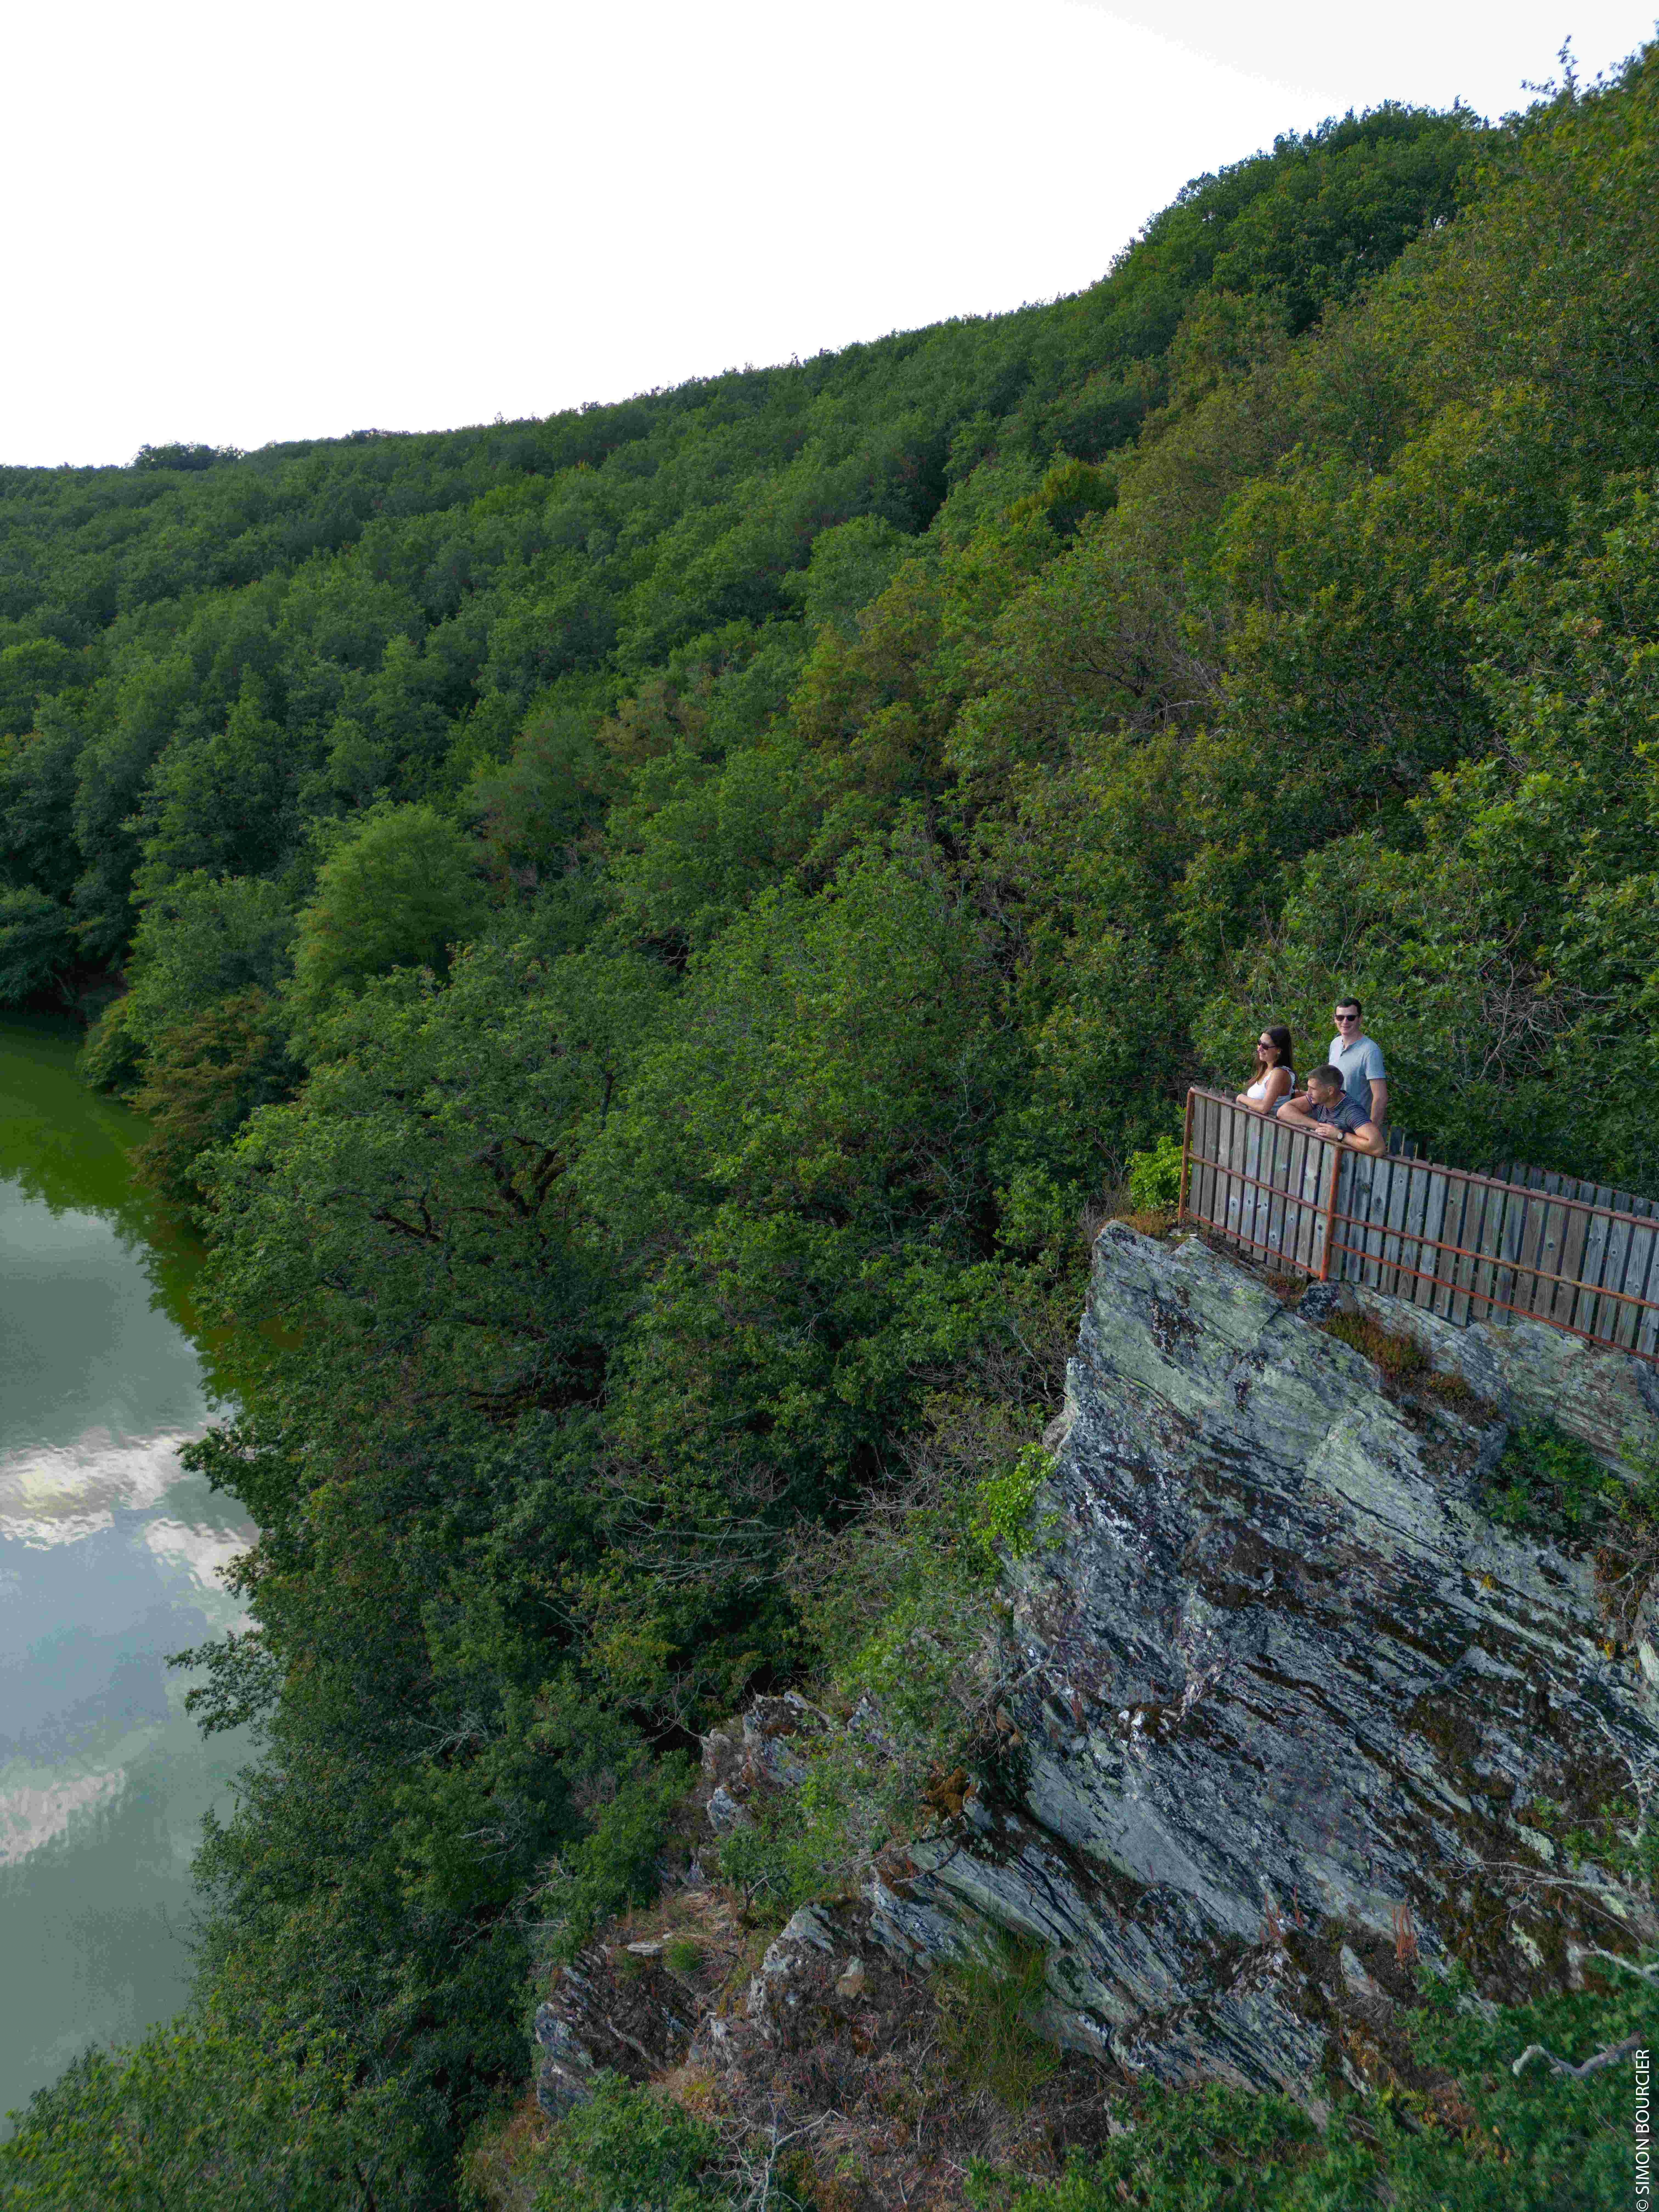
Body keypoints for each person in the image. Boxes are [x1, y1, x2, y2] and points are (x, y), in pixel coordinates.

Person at [1275, 1063, 1386, 1156]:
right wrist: (1320, 1127)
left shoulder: (1351, 1111)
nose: (1308, 1093)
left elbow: (1378, 1148)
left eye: (1313, 1089)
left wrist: (1340, 1135)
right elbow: (1283, 1112)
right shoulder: (1318, 1099)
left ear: (1330, 1091)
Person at [1327, 996, 1387, 1124]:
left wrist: (1372, 1132)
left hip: (1356, 1127)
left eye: (1351, 1017)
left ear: (1360, 1019)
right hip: (1332, 1123)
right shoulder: (1335, 1044)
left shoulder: (1371, 1050)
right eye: (1340, 1018)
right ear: (1335, 1019)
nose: (1345, 1022)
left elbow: (1380, 1097)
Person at [1236, 1024, 1294, 1113]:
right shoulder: (1265, 1068)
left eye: (1265, 1046)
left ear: (1279, 1050)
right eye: (1259, 1043)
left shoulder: (1280, 1073)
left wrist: (1241, 1097)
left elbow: (1264, 1108)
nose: (1259, 1049)